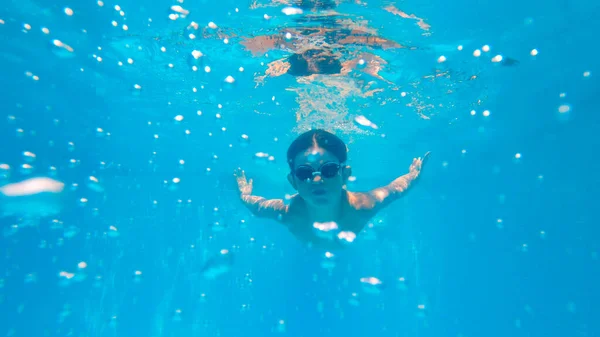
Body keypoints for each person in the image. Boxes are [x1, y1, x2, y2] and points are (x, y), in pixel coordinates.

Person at [234, 129, 429, 248]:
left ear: (344, 174)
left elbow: (395, 190)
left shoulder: (364, 206)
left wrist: (412, 175)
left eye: (328, 170)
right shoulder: (287, 212)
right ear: (293, 181)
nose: (317, 179)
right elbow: (256, 207)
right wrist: (244, 193)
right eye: (304, 173)